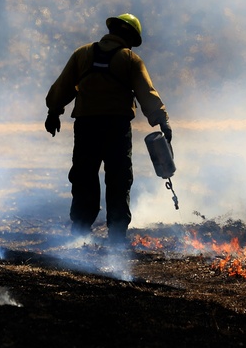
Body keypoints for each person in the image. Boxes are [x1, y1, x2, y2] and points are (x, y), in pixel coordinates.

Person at [44, 13, 172, 245]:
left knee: (84, 176)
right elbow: (147, 93)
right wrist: (162, 121)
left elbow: (62, 87)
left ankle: (81, 231)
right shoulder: (130, 60)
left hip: (86, 126)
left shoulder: (82, 54)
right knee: (119, 179)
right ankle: (116, 236)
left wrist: (53, 112)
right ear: (129, 37)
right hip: (117, 128)